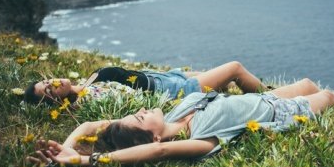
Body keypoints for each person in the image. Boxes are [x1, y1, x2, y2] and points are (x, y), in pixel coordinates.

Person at [28, 79, 334, 167]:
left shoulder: (179, 110)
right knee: (329, 96)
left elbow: (91, 123)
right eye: (140, 116)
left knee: (306, 83)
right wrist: (90, 161)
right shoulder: (197, 139)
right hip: (279, 114)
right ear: (151, 134)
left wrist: (71, 147)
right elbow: (159, 153)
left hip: (265, 99)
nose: (144, 109)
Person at [23, 61, 267, 105]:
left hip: (167, 77)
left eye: (46, 80)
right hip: (172, 90)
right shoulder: (89, 98)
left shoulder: (85, 84)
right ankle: (273, 98)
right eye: (48, 88)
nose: (52, 81)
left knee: (222, 82)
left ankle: (259, 92)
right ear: (55, 100)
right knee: (234, 69)